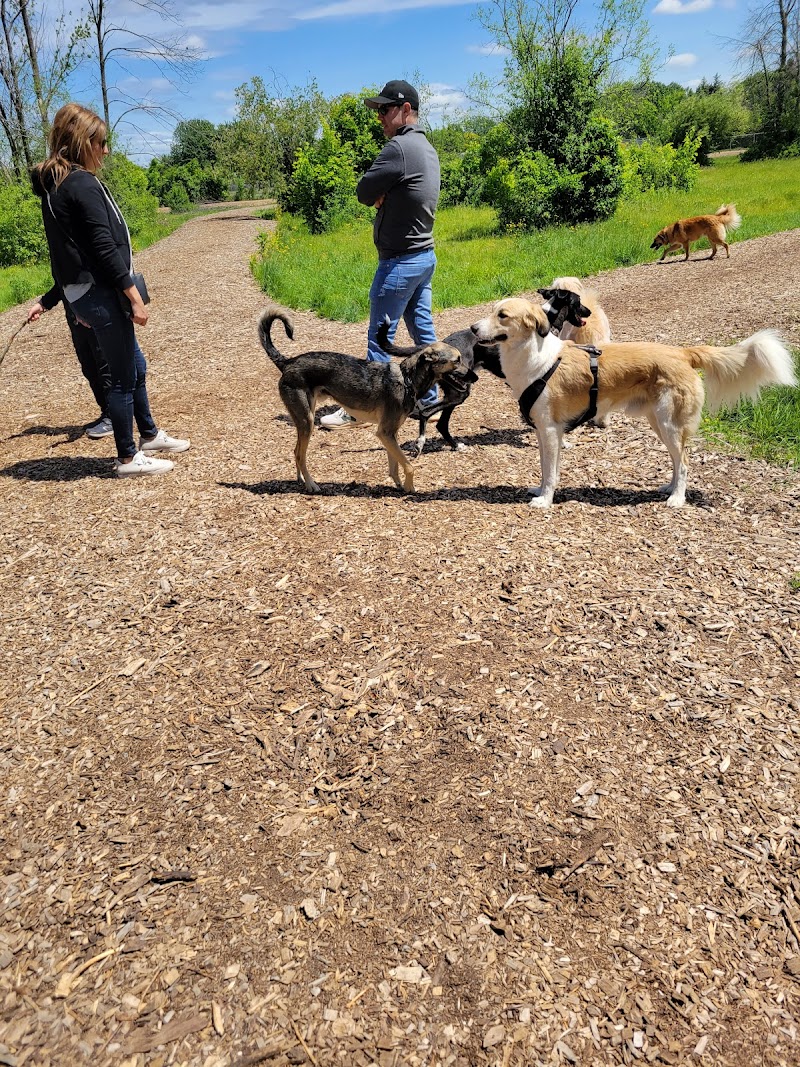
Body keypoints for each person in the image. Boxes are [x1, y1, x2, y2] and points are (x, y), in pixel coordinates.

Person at [31, 102, 189, 476]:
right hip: (100, 294)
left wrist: (54, 299)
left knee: (135, 365)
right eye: (100, 143)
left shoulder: (57, 187)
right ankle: (127, 457)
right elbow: (102, 247)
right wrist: (133, 295)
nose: (105, 150)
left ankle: (148, 433)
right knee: (121, 376)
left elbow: (69, 254)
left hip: (84, 294)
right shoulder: (80, 183)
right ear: (81, 141)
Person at [320, 80, 441, 430]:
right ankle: (429, 399)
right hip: (424, 256)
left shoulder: (399, 148)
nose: (380, 118)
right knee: (423, 333)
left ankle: (363, 407)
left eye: (386, 110)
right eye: (379, 111)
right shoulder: (426, 148)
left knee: (380, 338)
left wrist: (380, 194)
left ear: (406, 110)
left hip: (400, 262)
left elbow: (362, 191)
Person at [27, 283, 113, 439]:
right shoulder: (59, 258)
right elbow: (63, 283)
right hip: (76, 319)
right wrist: (43, 303)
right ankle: (107, 411)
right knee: (89, 368)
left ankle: (115, 416)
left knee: (104, 367)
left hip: (93, 313)